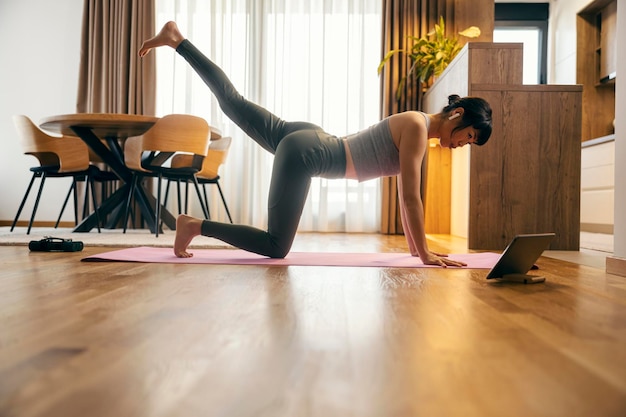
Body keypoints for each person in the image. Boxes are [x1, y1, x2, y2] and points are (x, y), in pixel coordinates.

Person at [139, 21, 493, 267]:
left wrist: (419, 251)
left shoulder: (416, 125)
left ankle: (177, 40)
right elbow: (410, 197)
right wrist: (427, 253)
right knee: (276, 247)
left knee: (232, 101)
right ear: (456, 115)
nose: (464, 144)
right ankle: (194, 226)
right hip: (308, 153)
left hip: (311, 139)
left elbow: (405, 194)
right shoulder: (417, 127)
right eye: (469, 136)